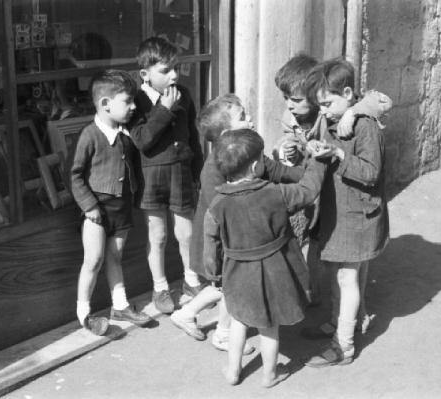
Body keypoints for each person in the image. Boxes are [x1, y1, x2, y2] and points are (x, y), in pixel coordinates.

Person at [169, 94, 303, 354]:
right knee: (231, 286)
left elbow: (276, 171)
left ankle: (187, 313)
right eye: (243, 116)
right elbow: (218, 210)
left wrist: (306, 175)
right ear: (227, 133)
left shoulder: (249, 151)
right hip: (222, 238)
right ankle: (222, 335)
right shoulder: (212, 168)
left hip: (237, 236)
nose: (251, 118)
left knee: (224, 286)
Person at [203, 128, 327, 387]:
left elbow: (211, 245)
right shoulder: (276, 193)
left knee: (239, 319)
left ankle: (233, 372)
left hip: (237, 273)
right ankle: (269, 374)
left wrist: (215, 275)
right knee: (269, 326)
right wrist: (317, 161)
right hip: (276, 268)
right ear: (257, 165)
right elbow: (308, 190)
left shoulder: (216, 206)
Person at [273, 53, 393, 305]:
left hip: (346, 196)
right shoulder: (292, 118)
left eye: (295, 100)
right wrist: (285, 151)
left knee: (351, 265)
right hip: (322, 193)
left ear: (315, 96)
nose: (289, 106)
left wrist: (355, 111)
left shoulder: (332, 110)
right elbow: (296, 153)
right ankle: (321, 301)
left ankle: (348, 317)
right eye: (285, 99)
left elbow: (380, 101)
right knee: (324, 251)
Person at [303, 58, 390, 367]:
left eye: (327, 103)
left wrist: (338, 154)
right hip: (340, 211)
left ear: (349, 93)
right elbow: (325, 148)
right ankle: (341, 321)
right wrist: (313, 150)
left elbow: (371, 173)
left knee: (346, 276)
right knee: (339, 273)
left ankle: (345, 345)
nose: (323, 110)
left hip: (358, 215)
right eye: (320, 105)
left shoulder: (366, 126)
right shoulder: (333, 119)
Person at [70, 69, 152, 335]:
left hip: (122, 207)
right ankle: (84, 313)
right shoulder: (90, 136)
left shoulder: (127, 135)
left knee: (115, 257)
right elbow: (74, 175)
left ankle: (120, 305)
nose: (132, 107)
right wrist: (89, 206)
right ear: (105, 104)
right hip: (97, 209)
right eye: (127, 101)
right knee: (93, 259)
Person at [129, 37, 204, 314]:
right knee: (157, 235)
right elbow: (142, 140)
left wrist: (198, 172)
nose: (173, 75)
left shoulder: (183, 93)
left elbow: (193, 137)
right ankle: (160, 287)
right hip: (152, 177)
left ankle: (191, 279)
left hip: (181, 172)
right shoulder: (135, 101)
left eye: (175, 68)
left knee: (186, 233)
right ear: (145, 74)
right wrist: (163, 110)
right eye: (165, 70)